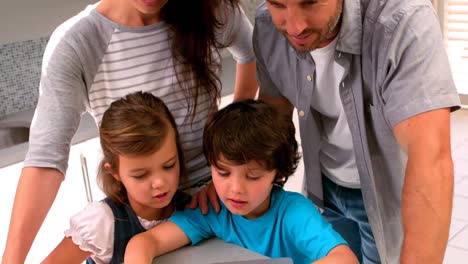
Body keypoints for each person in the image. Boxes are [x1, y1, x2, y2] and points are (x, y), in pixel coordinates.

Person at [2, 0, 258, 263]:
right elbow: (46, 158)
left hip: (212, 203)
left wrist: (228, 162)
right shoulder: (79, 42)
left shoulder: (211, 9)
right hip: (142, 212)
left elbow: (254, 53)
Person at [246, 0, 460, 263]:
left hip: (386, 196)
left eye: (311, 2)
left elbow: (430, 160)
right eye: (278, 4)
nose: (295, 26)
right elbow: (273, 118)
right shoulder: (268, 25)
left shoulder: (403, 20)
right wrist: (232, 178)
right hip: (322, 188)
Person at [124, 99, 359, 264]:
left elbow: (345, 258)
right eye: (223, 173)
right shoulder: (214, 212)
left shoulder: (293, 212)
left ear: (277, 173)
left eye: (253, 176)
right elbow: (146, 242)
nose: (235, 189)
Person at [41, 91, 191, 263]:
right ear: (115, 173)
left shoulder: (190, 206)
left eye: (169, 165)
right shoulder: (102, 222)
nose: (159, 183)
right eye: (140, 175)